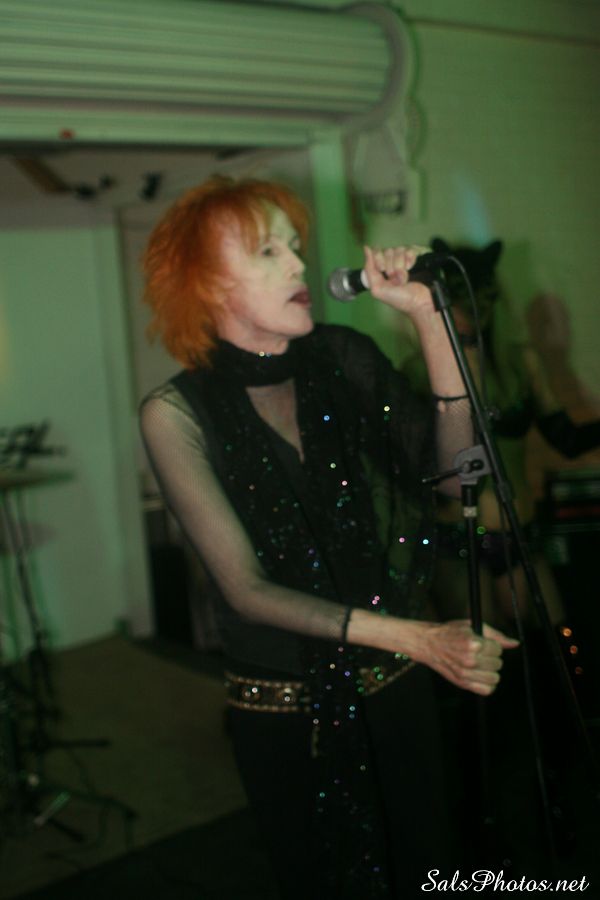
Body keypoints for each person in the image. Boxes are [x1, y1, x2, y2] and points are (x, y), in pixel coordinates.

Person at [139, 177, 517, 900]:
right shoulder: (176, 413)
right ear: (206, 284)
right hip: (288, 712)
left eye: (295, 246)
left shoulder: (342, 356)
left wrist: (430, 321)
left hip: (397, 687)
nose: (297, 264)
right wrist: (417, 638)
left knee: (427, 864)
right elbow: (246, 590)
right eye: (267, 251)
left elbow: (459, 476)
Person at [402, 237, 600, 635]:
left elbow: (566, 439)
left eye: (484, 298)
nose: (475, 309)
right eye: (462, 299)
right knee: (483, 655)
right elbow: (409, 463)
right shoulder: (419, 371)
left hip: (520, 534)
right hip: (457, 539)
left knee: (559, 644)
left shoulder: (519, 362)